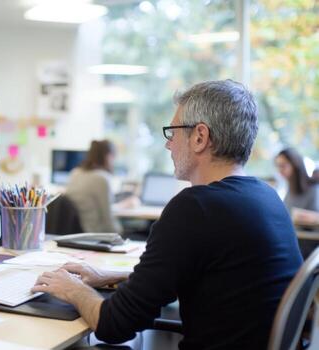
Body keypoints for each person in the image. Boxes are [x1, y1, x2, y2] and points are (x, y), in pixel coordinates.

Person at [32, 80, 303, 350]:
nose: (168, 145)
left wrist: (72, 288)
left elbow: (114, 326)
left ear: (200, 137)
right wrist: (111, 275)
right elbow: (209, 278)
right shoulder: (265, 196)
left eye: (172, 133)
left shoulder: (196, 208)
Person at [65, 140, 122, 233]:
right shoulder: (101, 179)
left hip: (75, 234)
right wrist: (122, 234)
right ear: (108, 156)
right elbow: (108, 221)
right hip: (95, 236)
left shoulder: (75, 172)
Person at [275, 147, 319, 213]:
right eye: (278, 166)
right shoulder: (289, 188)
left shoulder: (313, 188)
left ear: (295, 164)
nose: (279, 170)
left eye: (283, 166)